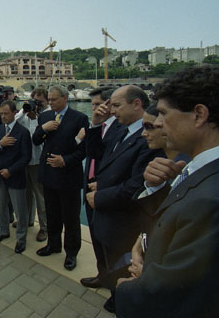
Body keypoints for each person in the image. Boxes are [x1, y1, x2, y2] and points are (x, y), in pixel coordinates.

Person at [115, 66, 219, 318]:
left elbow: (174, 300)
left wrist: (126, 290)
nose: (157, 123)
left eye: (164, 113)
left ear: (199, 115)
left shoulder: (217, 204)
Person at [84, 85, 162, 313]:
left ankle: (119, 299)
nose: (111, 110)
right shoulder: (119, 129)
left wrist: (100, 196)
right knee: (106, 258)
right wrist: (96, 125)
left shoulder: (149, 138)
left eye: (117, 105)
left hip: (123, 220)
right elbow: (97, 155)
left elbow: (136, 185)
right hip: (105, 212)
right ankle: (106, 281)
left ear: (136, 104)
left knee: (122, 265)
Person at [32, 85, 88, 271]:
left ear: (65, 98)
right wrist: (43, 129)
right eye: (49, 99)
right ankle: (53, 244)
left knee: (71, 218)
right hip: (49, 174)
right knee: (52, 213)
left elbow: (84, 149)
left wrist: (65, 160)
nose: (51, 102)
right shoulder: (45, 116)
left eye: (54, 99)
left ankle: (71, 252)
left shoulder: (79, 118)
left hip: (68, 176)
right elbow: (36, 140)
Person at [78, 86, 120, 289]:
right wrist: (93, 127)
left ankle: (115, 284)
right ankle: (102, 274)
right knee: (95, 235)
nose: (94, 109)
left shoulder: (120, 128)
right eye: (92, 105)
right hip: (90, 184)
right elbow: (91, 153)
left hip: (105, 189)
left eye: (97, 104)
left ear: (109, 105)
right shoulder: (96, 126)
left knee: (109, 240)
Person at [0, 100, 32, 253]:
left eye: (6, 113)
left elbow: (26, 157)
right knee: (1, 207)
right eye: (1, 113)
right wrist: (0, 144)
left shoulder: (23, 132)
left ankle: (21, 239)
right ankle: (3, 231)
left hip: (15, 176)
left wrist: (11, 170)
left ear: (14, 113)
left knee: (20, 210)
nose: (3, 116)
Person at [15, 87, 49, 243]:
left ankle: (44, 227)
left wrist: (35, 118)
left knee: (40, 196)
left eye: (40, 102)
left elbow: (38, 137)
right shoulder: (26, 114)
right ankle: (28, 219)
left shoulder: (48, 115)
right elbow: (14, 123)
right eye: (35, 101)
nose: (37, 105)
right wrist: (24, 110)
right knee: (26, 193)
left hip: (38, 160)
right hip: (24, 160)